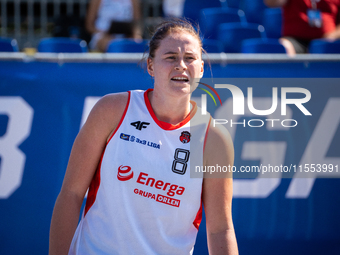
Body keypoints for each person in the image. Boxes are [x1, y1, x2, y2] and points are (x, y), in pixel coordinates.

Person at [49, 18, 238, 255]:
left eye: (189, 58)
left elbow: (220, 229)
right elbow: (71, 194)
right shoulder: (112, 110)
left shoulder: (214, 138)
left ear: (200, 68)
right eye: (170, 57)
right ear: (150, 66)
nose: (181, 65)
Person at [264, 0, 340, 55]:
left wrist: (333, 36)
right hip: (295, 40)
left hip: (327, 41)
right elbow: (271, 2)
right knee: (283, 46)